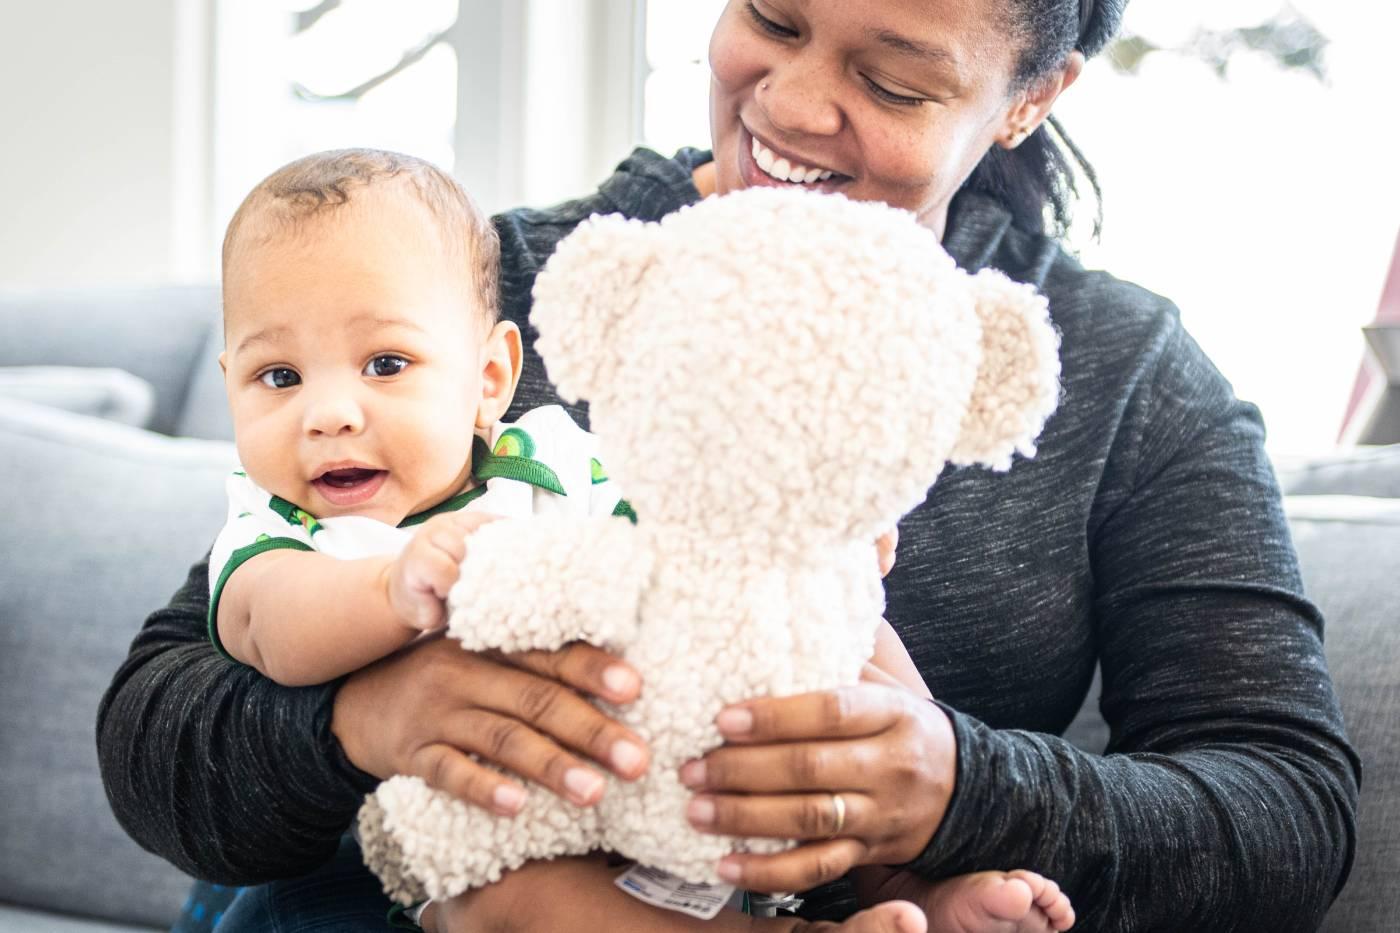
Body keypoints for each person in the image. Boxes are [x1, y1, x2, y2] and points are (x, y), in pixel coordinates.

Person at [97, 0, 1360, 930]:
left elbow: (1286, 813)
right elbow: (159, 745)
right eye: (772, 17)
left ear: (1033, 95)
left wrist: (961, 787)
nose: (795, 104)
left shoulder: (1113, 369)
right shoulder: (484, 300)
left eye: (895, 80)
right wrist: (357, 718)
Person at [196, 146, 1072, 932]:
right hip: (507, 827)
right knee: (525, 901)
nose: (330, 415)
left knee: (854, 646)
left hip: (684, 758)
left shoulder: (552, 451)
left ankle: (910, 878)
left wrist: (811, 544)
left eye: (385, 364)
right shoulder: (284, 526)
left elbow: (688, 535)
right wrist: (389, 595)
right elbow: (268, 626)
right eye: (279, 376)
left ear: (491, 376)